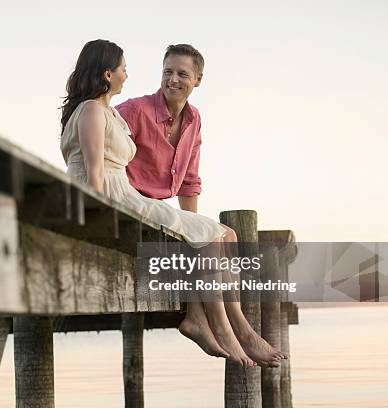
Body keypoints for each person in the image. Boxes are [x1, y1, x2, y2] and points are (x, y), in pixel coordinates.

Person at [60, 39, 287, 367]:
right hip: (125, 203)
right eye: (167, 71)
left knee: (223, 235)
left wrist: (190, 230)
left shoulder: (189, 120)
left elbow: (190, 180)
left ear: (197, 79)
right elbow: (93, 176)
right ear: (108, 73)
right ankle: (229, 329)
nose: (172, 79)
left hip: (133, 201)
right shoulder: (119, 111)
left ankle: (218, 322)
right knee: (208, 235)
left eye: (182, 73)